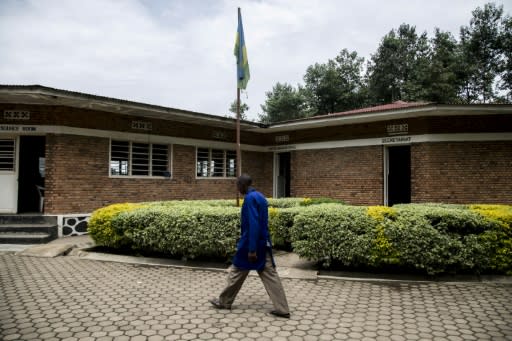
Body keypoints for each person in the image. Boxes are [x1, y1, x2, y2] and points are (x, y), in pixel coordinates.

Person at [209, 175, 290, 318]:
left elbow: (253, 224)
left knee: (236, 272)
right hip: (262, 242)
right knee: (269, 275)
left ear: (242, 185)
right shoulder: (260, 196)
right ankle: (282, 309)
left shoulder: (249, 199)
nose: (237, 188)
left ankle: (224, 301)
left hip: (251, 244)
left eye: (237, 185)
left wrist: (252, 249)